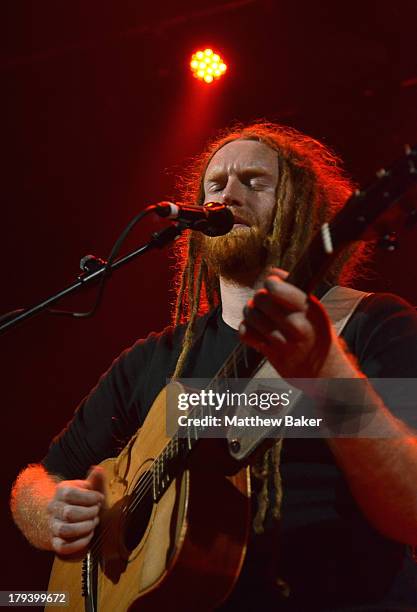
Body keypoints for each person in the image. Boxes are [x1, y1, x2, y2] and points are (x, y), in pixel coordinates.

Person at [10, 122, 417, 611]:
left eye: (254, 180)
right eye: (216, 184)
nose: (229, 193)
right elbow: (38, 479)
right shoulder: (153, 359)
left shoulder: (372, 324)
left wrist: (328, 369)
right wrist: (50, 510)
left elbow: (411, 510)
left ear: (309, 212)